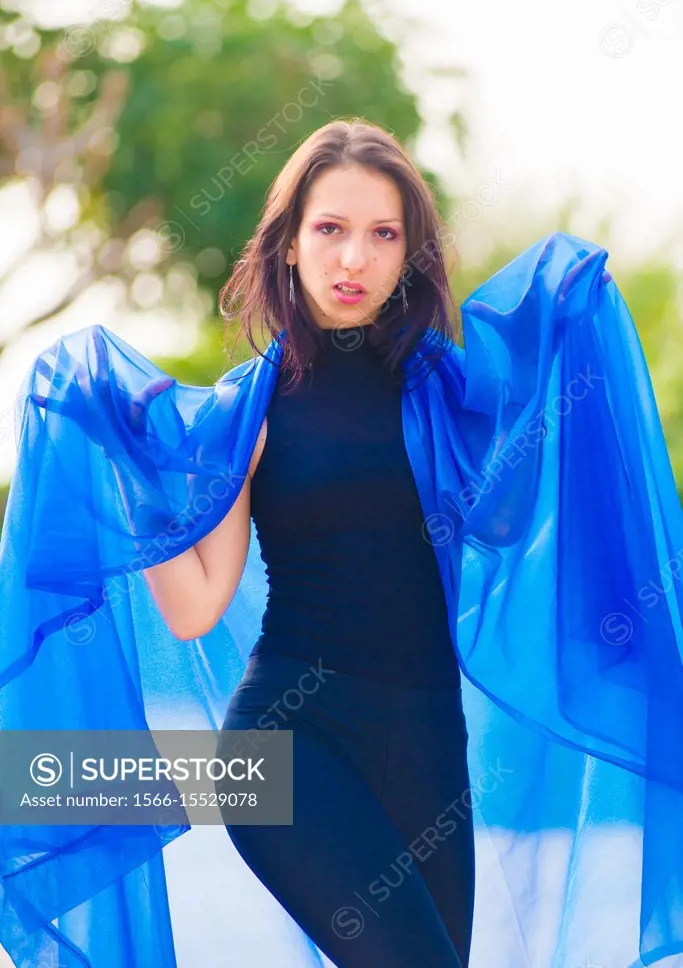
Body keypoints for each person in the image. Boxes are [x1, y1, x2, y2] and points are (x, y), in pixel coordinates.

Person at [2, 118, 683, 968]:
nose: (352, 259)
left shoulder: (449, 395)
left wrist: (565, 322)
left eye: (381, 234)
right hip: (284, 749)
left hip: (429, 752)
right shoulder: (245, 412)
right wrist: (130, 480)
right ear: (288, 244)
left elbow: (509, 521)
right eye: (329, 230)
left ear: (409, 255)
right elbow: (194, 608)